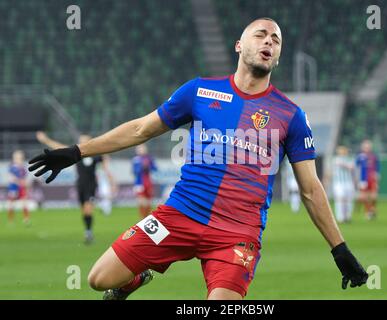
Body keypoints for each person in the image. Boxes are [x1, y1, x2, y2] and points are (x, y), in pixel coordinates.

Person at [29, 18, 368, 300]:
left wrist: (339, 249)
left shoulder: (290, 115)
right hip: (178, 215)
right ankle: (134, 280)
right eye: (260, 34)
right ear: (240, 45)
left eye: (276, 39)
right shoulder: (199, 91)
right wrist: (77, 151)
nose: (269, 41)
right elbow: (140, 130)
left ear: (277, 56)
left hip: (236, 233)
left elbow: (310, 189)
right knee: (99, 279)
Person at [35, 131, 115, 243]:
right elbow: (59, 148)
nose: (82, 142)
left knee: (88, 209)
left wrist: (112, 183)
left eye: (85, 140)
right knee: (84, 211)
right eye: (81, 141)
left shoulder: (96, 155)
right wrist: (46, 140)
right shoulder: (76, 154)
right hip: (80, 185)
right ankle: (88, 230)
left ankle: (88, 233)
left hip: (91, 185)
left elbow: (106, 167)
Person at [356, 140, 380, 220]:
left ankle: (372, 209)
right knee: (364, 197)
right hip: (363, 179)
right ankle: (368, 212)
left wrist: (377, 175)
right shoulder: (360, 157)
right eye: (365, 146)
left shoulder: (374, 156)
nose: (367, 148)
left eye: (368, 146)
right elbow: (356, 167)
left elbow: (377, 168)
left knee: (374, 197)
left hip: (372, 179)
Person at [331, 146, 356, 223]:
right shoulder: (335, 159)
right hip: (338, 183)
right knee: (340, 199)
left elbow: (352, 168)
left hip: (348, 182)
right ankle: (340, 217)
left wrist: (355, 182)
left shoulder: (350, 159)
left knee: (348, 200)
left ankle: (348, 216)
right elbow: (332, 170)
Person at [132, 144, 157, 218]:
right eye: (139, 149)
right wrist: (142, 167)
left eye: (142, 148)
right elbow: (135, 171)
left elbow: (155, 168)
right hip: (139, 183)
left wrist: (148, 166)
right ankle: (142, 218)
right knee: (141, 201)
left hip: (148, 182)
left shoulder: (149, 158)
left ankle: (147, 218)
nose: (141, 150)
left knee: (148, 202)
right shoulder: (136, 159)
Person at [7, 150, 30, 225]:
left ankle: (26, 219)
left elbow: (25, 178)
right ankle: (11, 220)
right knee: (11, 204)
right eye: (17, 158)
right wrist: (20, 182)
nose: (19, 159)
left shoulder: (23, 168)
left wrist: (25, 184)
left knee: (24, 203)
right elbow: (11, 178)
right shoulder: (12, 167)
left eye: (20, 158)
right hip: (13, 187)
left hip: (21, 187)